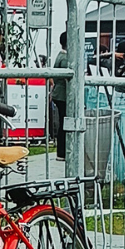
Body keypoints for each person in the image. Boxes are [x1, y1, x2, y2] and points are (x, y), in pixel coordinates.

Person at [50, 31, 70, 160]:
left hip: (58, 93)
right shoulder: (65, 58)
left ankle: (61, 151)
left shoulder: (60, 55)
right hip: (62, 95)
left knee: (63, 121)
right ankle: (62, 152)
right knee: (64, 122)